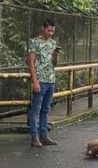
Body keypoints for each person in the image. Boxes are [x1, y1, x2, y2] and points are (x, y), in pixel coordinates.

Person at [28, 19, 59, 148]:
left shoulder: (53, 43)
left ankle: (44, 135)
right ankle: (34, 137)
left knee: (45, 109)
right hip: (40, 80)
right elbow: (30, 62)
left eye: (52, 31)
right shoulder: (34, 42)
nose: (50, 33)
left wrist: (56, 56)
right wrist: (35, 81)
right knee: (36, 109)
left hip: (51, 79)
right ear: (43, 28)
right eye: (48, 30)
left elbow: (55, 63)